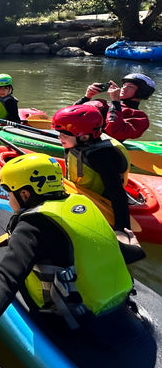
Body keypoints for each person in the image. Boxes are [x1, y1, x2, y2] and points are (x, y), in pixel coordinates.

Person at [0, 153, 135, 368]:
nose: (7, 199)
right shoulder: (82, 204)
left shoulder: (33, 226)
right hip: (118, 306)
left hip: (74, 321)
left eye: (9, 193)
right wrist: (132, 247)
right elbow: (113, 249)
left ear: (25, 195)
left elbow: (6, 279)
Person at [51, 103, 143, 260]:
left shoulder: (101, 156)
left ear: (84, 137)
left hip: (102, 202)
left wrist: (121, 229)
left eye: (64, 135)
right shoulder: (80, 143)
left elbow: (117, 193)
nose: (60, 137)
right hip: (82, 190)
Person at [75, 73, 155, 141]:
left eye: (130, 87)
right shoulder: (105, 105)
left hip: (102, 149)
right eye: (124, 86)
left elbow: (113, 131)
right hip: (76, 138)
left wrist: (115, 101)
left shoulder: (140, 118)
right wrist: (87, 97)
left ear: (141, 92)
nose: (123, 89)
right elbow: (72, 115)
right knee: (98, 103)